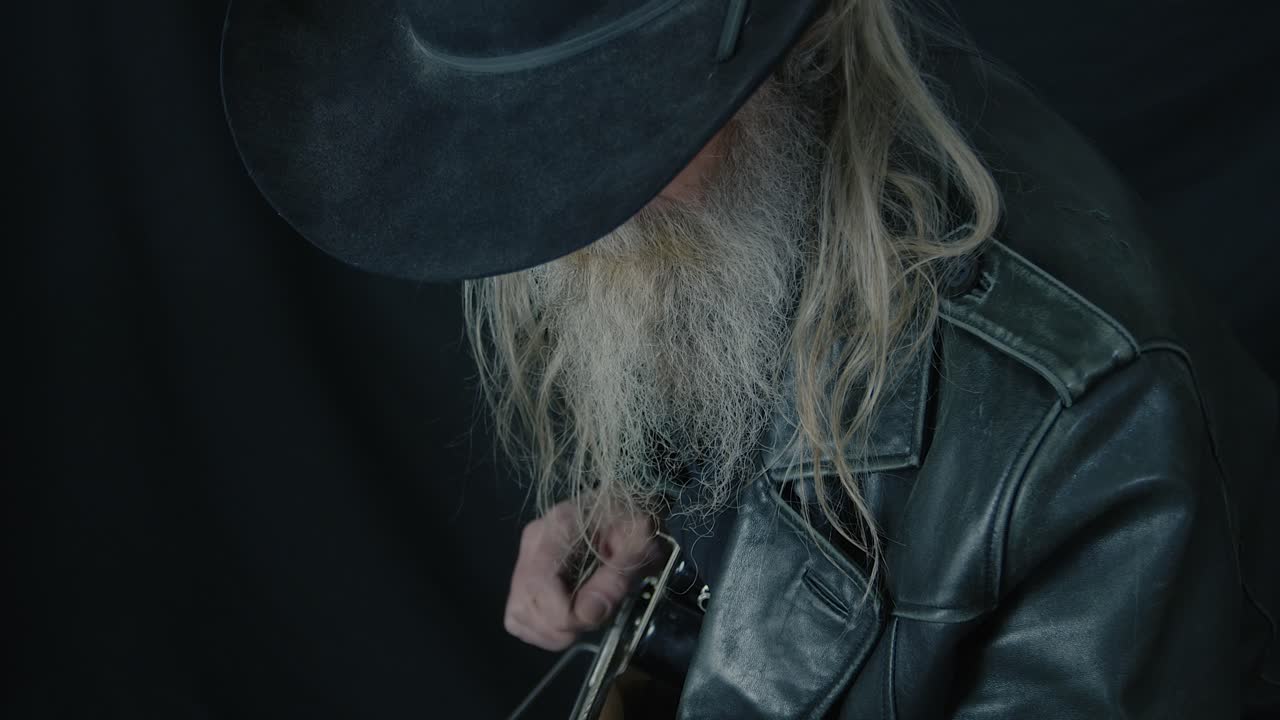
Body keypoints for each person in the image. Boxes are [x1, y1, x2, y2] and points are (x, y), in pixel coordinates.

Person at [221, 0, 1280, 716]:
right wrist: (650, 496)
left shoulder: (1094, 416)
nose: (573, 216)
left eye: (615, 129)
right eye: (522, 133)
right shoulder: (768, 161)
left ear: (777, 57)